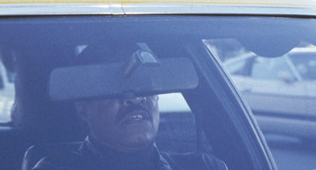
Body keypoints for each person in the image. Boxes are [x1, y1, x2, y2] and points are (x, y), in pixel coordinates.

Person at [30, 45, 228, 170]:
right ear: (83, 108)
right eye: (115, 87)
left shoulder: (205, 166)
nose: (135, 98)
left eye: (143, 83)